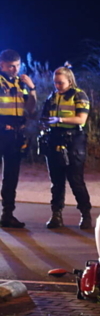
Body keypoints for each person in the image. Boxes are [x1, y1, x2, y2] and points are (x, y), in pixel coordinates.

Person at [41, 66, 92, 230]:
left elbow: (81, 119)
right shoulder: (52, 97)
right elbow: (44, 116)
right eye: (55, 82)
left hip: (73, 141)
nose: (57, 86)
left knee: (76, 180)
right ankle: (56, 215)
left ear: (69, 81)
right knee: (56, 181)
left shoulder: (79, 95)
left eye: (60, 83)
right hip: (54, 138)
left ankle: (86, 214)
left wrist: (59, 119)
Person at [0, 49, 37, 228]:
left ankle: (8, 214)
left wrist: (32, 89)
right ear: (2, 65)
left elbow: (30, 110)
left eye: (17, 66)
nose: (15, 70)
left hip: (15, 136)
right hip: (1, 132)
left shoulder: (21, 83)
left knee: (11, 176)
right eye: (11, 66)